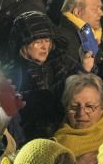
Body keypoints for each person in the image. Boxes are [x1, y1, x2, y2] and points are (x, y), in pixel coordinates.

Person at [5, 10, 70, 139]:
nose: (44, 47)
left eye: (47, 40)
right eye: (38, 41)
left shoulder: (61, 66)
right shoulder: (11, 76)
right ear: (24, 44)